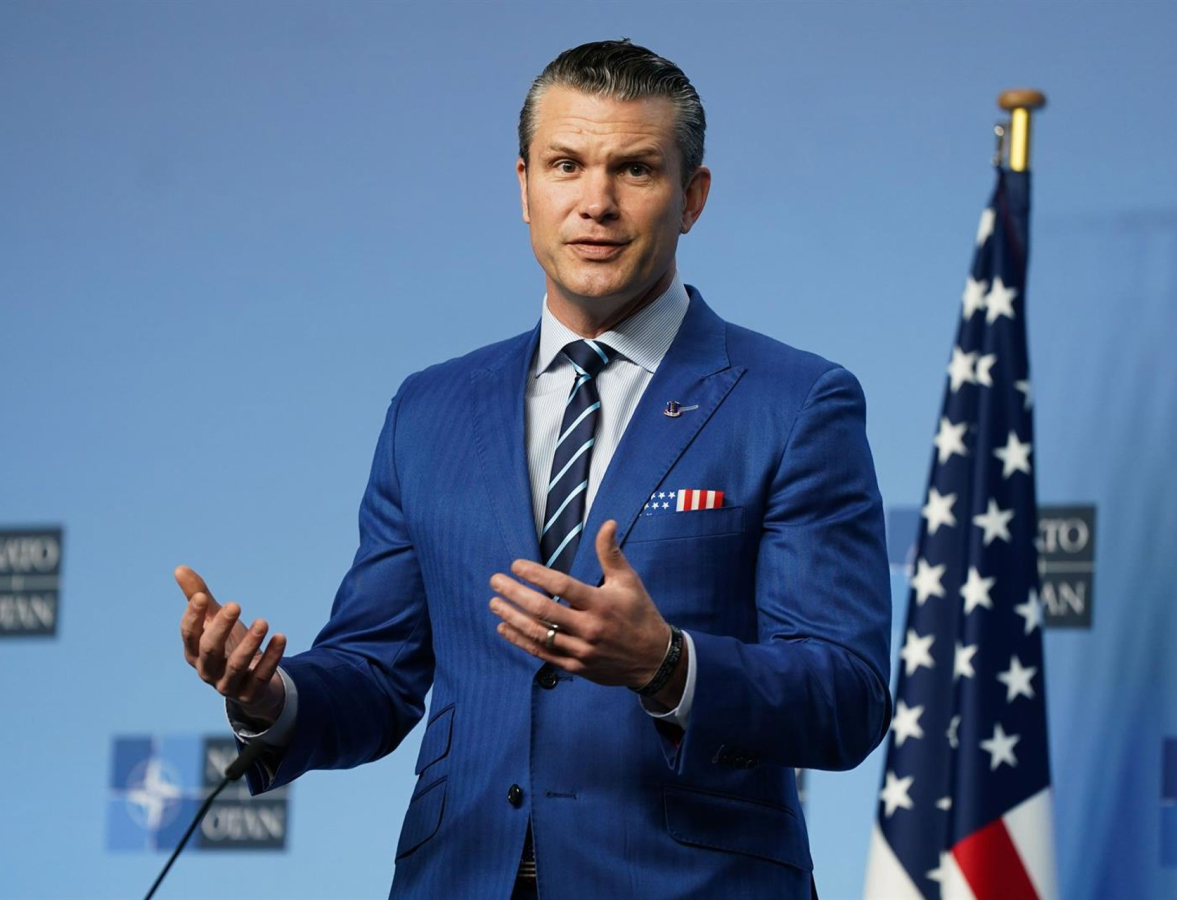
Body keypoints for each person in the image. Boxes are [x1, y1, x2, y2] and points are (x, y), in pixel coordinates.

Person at [176, 39, 892, 900]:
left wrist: (666, 664)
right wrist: (270, 697)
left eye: (635, 169)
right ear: (524, 187)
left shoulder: (795, 401)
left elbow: (846, 694)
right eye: (566, 165)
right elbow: (376, 672)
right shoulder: (428, 410)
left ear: (692, 198)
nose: (596, 202)